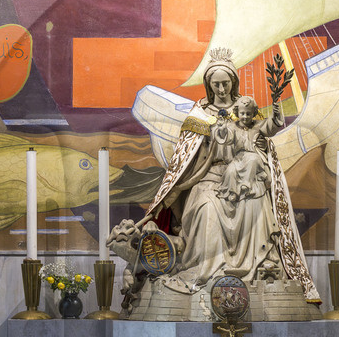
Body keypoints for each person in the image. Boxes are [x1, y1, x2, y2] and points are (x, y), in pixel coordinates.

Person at [123, 48, 319, 301]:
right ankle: (209, 272)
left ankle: (257, 268)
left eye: (226, 83)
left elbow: (262, 146)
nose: (221, 89)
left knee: (257, 204)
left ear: (233, 82)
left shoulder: (248, 110)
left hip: (244, 178)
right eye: (216, 84)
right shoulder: (199, 115)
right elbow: (186, 159)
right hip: (208, 177)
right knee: (206, 208)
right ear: (208, 85)